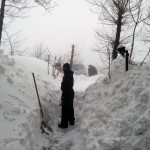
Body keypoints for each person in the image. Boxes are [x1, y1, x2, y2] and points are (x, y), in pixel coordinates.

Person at [58, 63, 75, 128]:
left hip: (67, 93)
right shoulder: (69, 74)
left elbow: (66, 86)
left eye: (65, 68)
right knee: (70, 107)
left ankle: (64, 124)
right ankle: (71, 120)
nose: (64, 69)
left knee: (64, 109)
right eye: (64, 68)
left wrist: (63, 95)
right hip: (70, 93)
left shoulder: (68, 75)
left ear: (68, 68)